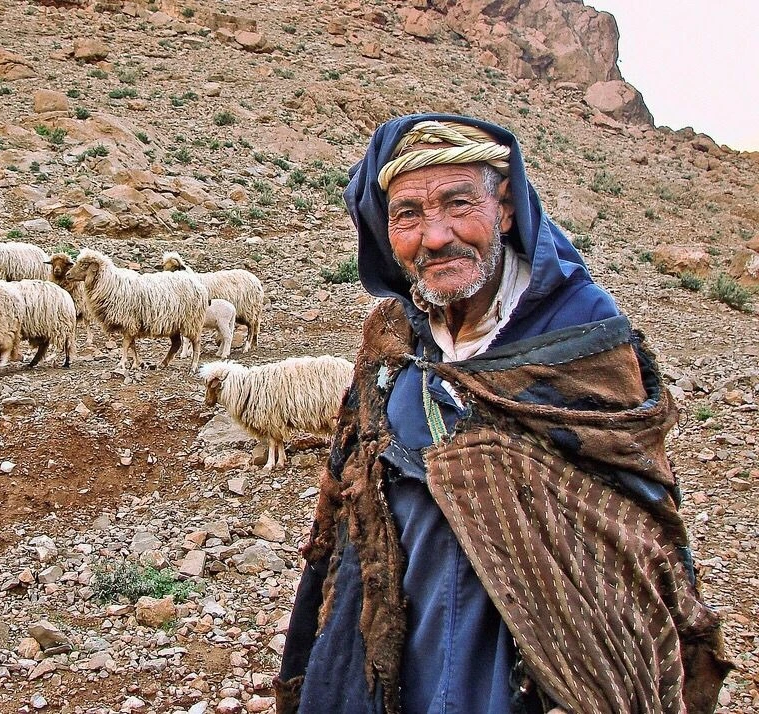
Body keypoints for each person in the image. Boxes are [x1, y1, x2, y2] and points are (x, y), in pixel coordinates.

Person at [274, 115, 731, 714]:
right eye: (408, 215)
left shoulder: (579, 338)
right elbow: (348, 495)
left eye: (458, 204)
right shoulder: (393, 339)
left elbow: (634, 532)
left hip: (531, 654)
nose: (434, 237)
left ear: (506, 209)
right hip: (398, 621)